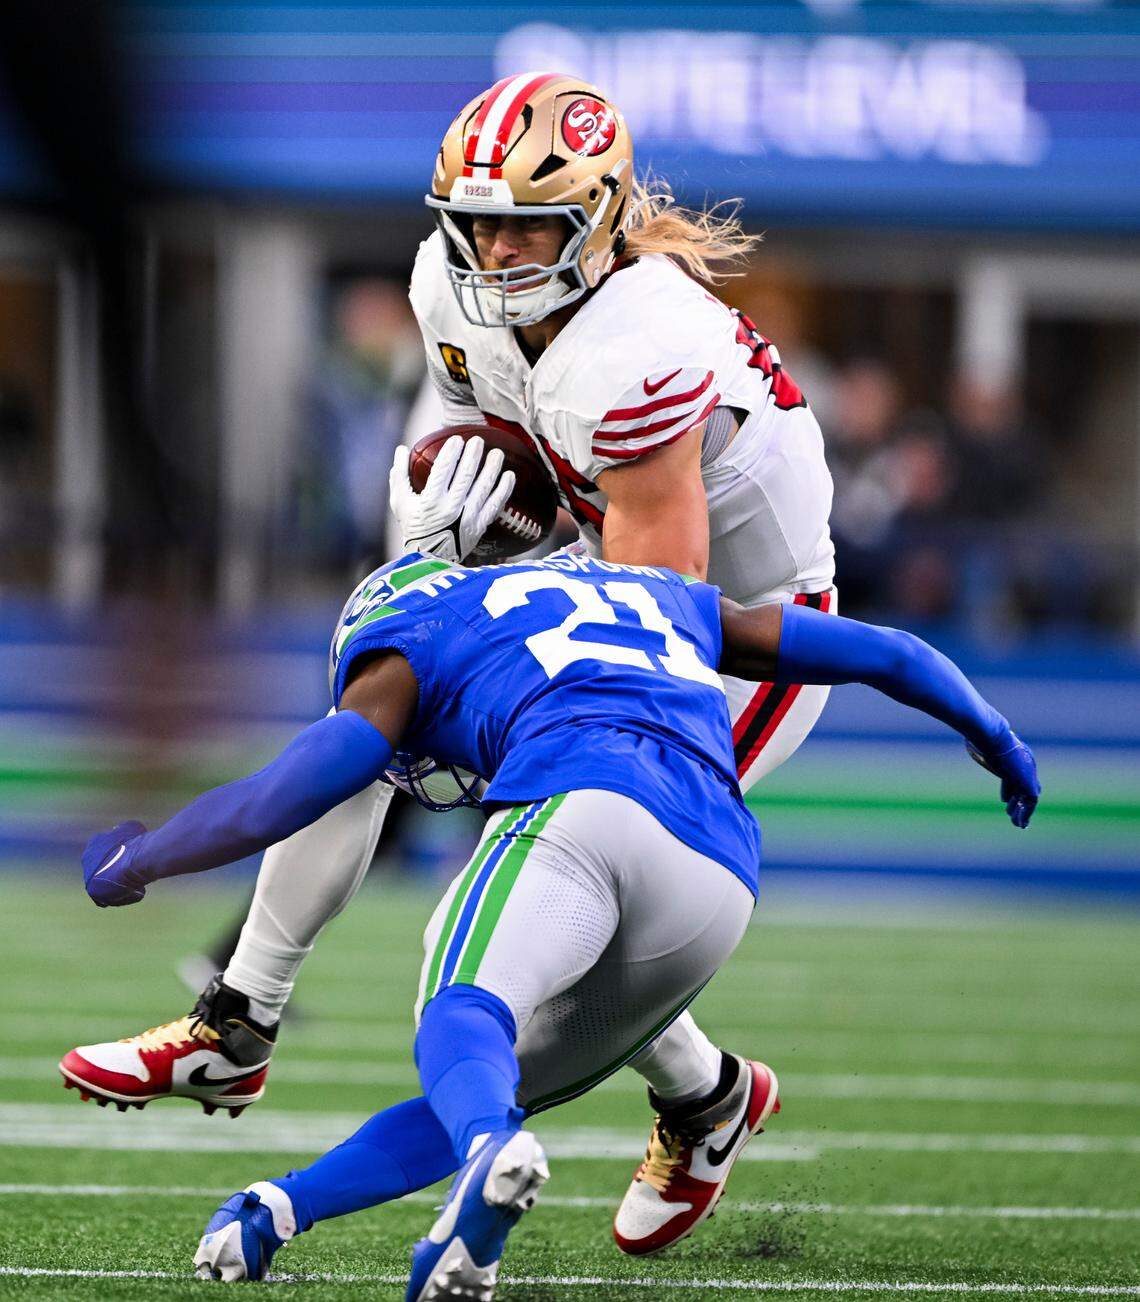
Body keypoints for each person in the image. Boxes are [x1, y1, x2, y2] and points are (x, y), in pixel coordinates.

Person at [64, 70, 838, 1256]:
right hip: (595, 558)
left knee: (565, 871)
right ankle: (240, 1015)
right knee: (384, 712)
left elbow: (659, 620)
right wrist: (423, 587)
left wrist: (489, 606)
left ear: (599, 217)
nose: (497, 247)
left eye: (531, 222)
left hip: (737, 629)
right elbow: (439, 449)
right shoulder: (451, 286)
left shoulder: (643, 351)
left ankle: (705, 1096)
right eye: (477, 220)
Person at [70, 550, 1038, 1299]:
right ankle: (281, 1206)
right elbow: (888, 651)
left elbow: (288, 793)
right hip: (719, 875)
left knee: (461, 1014)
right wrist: (990, 732)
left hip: (581, 804)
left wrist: (144, 857)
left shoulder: (414, 632)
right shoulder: (662, 597)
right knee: (485, 1095)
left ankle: (493, 1153)